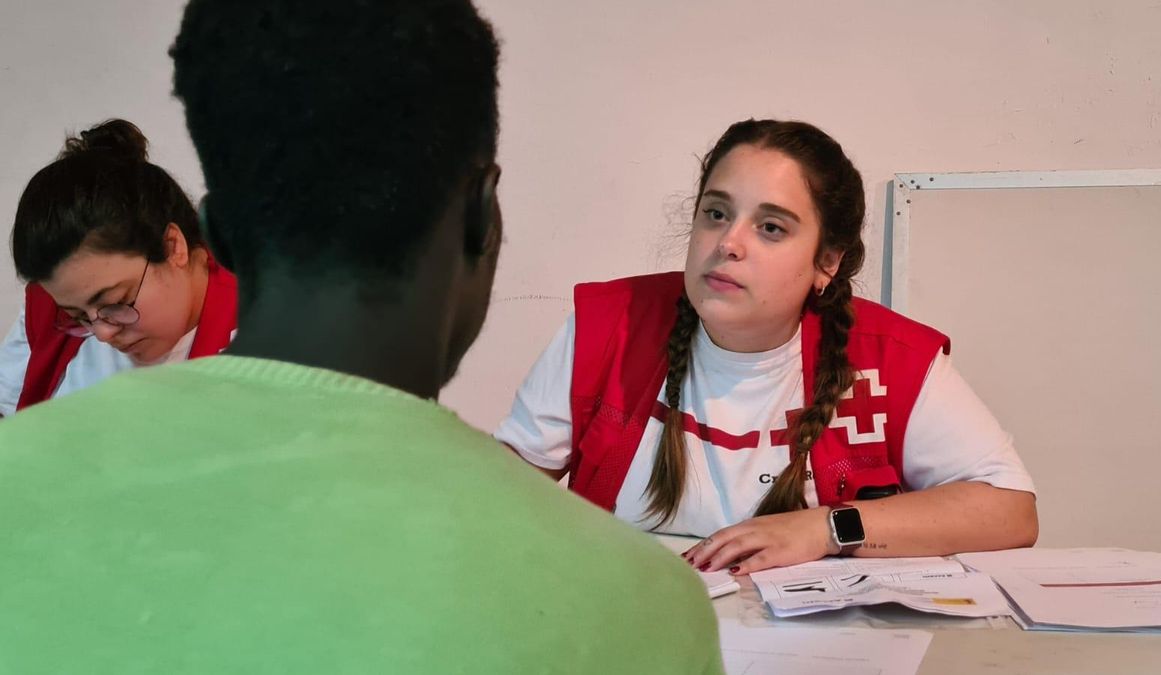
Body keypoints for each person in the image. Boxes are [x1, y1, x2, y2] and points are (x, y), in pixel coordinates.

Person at [0, 1, 722, 672]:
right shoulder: (638, 605)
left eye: (111, 303)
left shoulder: (17, 487)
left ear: (211, 234)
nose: (98, 330)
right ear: (483, 219)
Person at [497, 119, 1039, 575]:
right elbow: (499, 495)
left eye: (772, 228)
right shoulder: (608, 327)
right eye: (716, 213)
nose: (729, 243)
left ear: (827, 261)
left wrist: (826, 529)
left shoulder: (890, 357)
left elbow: (1010, 511)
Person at [0, 118, 237, 418]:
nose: (102, 333)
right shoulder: (52, 305)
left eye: (116, 303)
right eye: (77, 317)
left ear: (172, 246)